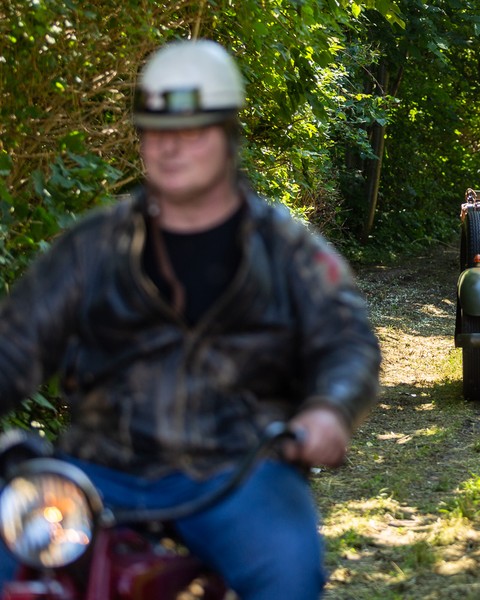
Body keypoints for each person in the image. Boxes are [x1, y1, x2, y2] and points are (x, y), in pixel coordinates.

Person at [0, 39, 381, 599]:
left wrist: (329, 409)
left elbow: (347, 342)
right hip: (100, 471)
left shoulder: (286, 249)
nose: (171, 148)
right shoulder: (91, 247)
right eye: (156, 132)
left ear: (229, 137)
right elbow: (15, 346)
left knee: (289, 573)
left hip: (240, 469)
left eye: (192, 131)